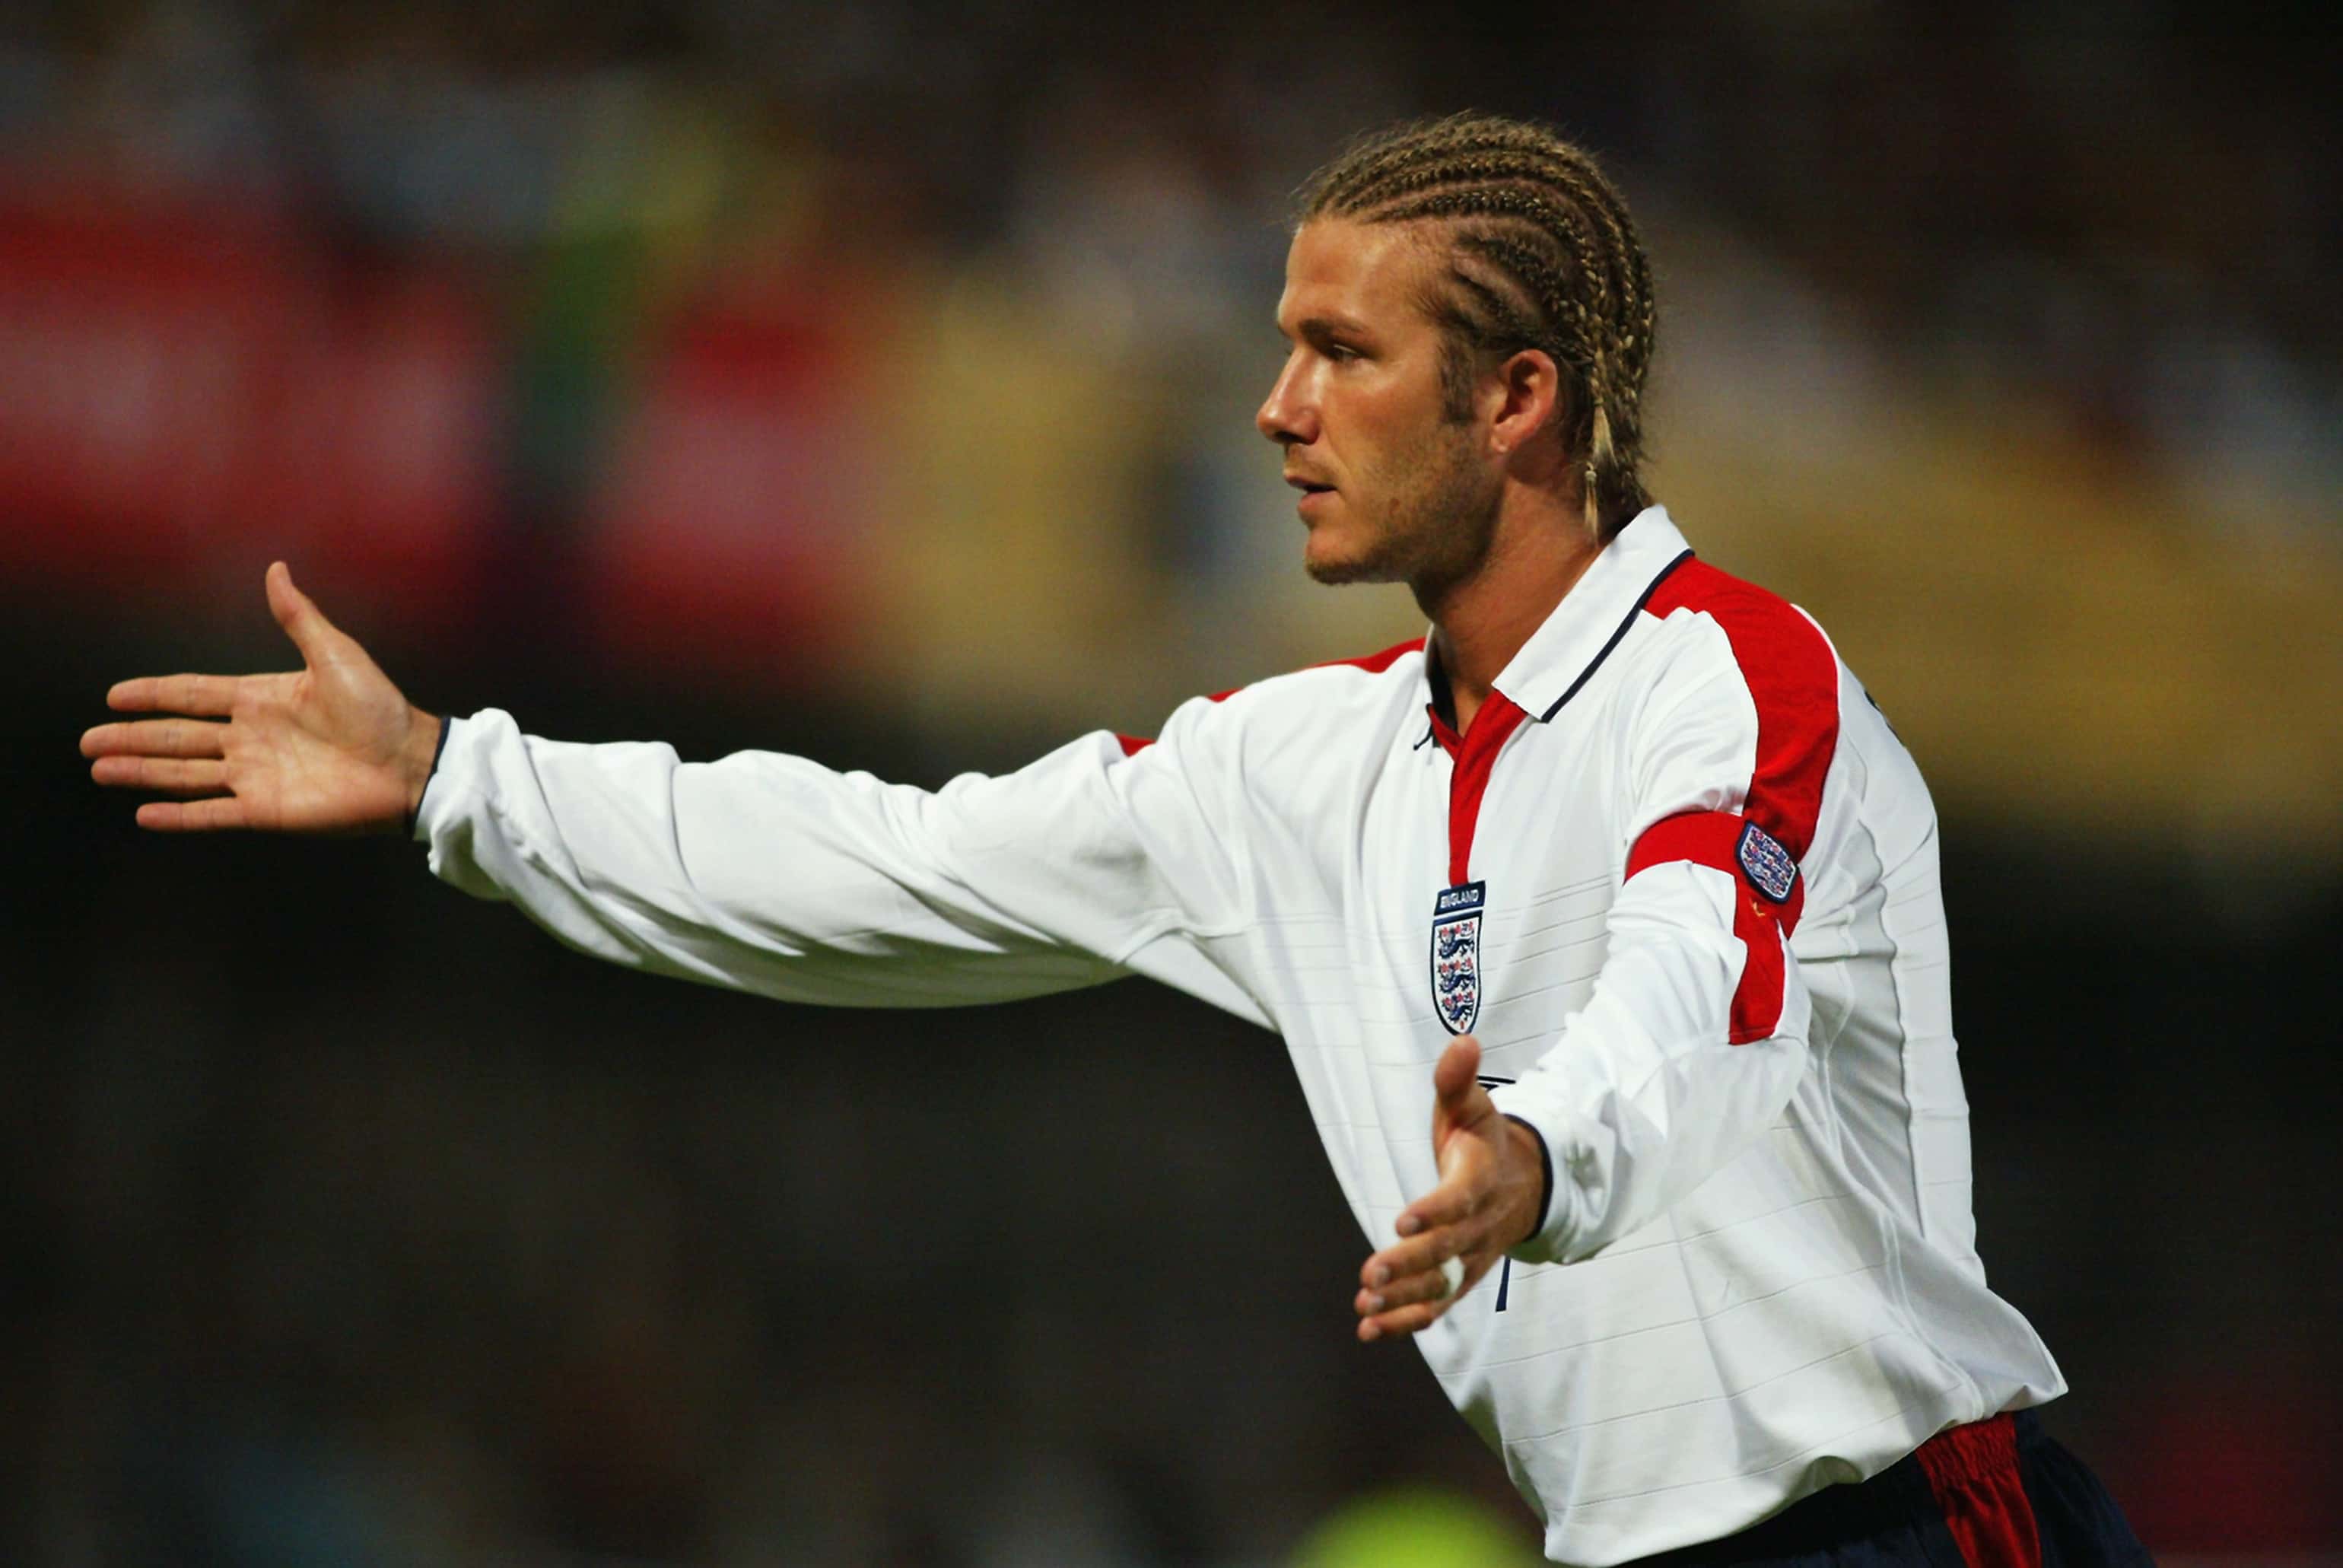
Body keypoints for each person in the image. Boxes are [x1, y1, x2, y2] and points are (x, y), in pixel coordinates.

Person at [82, 114, 2146, 1565]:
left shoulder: (1736, 678)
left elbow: (1708, 976)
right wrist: (461, 776)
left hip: (1913, 1532)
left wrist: (1541, 1152)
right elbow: (884, 865)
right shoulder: (1293, 776)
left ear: (1518, 403)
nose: (1278, 405)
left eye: (1343, 351)